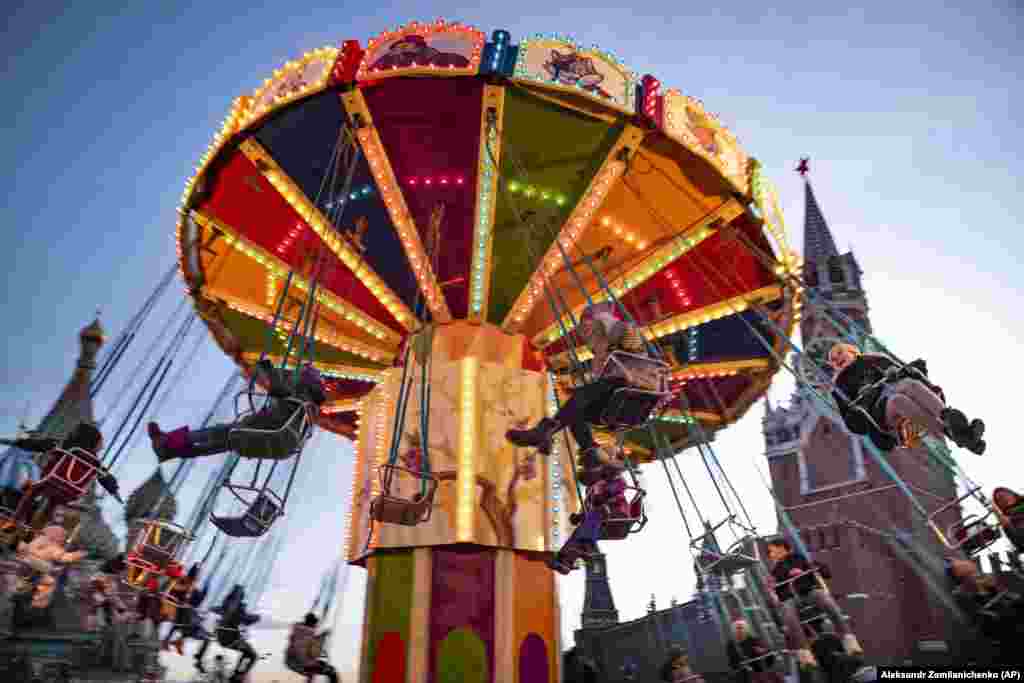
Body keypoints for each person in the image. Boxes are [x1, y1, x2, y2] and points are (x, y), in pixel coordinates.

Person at [506, 302, 653, 470]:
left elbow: (627, 342)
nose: (588, 336)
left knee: (583, 396)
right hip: (620, 399)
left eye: (591, 329)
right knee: (577, 410)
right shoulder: (604, 354)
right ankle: (589, 449)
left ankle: (544, 432)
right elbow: (600, 376)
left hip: (635, 389)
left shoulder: (621, 334)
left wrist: (609, 332)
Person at [148, 360, 326, 463]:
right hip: (277, 443)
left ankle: (166, 442)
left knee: (218, 432)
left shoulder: (301, 397)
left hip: (266, 431)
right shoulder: (310, 411)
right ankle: (174, 451)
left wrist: (268, 369)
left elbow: (279, 390)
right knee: (227, 442)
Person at [827, 343, 984, 454]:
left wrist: (898, 371)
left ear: (852, 351)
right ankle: (954, 429)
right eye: (833, 360)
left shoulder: (875, 359)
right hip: (881, 412)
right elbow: (850, 420)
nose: (837, 359)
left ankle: (954, 427)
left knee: (908, 385)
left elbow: (906, 371)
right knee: (897, 399)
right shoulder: (839, 386)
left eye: (839, 352)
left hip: (900, 390)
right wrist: (858, 409)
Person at [3, 423, 122, 529]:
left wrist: (16, 442)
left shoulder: (67, 447)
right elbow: (106, 478)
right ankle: (36, 529)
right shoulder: (95, 461)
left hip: (50, 480)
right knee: (53, 503)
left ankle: (14, 521)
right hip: (72, 491)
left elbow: (38, 445)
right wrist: (115, 492)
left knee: (32, 491)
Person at [765, 538, 863, 657]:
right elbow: (778, 597)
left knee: (826, 601)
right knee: (788, 615)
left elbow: (824, 572)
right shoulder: (775, 571)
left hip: (809, 592)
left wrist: (803, 571)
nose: (770, 554)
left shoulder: (800, 558)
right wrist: (771, 589)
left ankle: (848, 639)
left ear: (781, 548)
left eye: (772, 551)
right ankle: (804, 651)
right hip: (791, 599)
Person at [196, 585, 261, 682]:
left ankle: (236, 674)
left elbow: (212, 610)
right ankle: (237, 675)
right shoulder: (238, 609)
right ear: (241, 597)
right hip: (232, 640)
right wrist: (257, 617)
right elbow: (248, 620)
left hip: (220, 639)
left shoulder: (223, 606)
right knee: (253, 655)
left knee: (208, 636)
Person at [161, 563, 202, 655]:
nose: (198, 576)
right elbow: (176, 588)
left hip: (177, 605)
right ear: (194, 574)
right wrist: (187, 588)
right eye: (197, 574)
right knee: (186, 620)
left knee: (189, 621)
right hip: (170, 605)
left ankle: (175, 641)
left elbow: (187, 597)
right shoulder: (183, 579)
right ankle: (174, 642)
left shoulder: (190, 582)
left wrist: (191, 592)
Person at [286, 612, 339, 682]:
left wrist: (323, 635)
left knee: (316, 669)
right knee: (331, 672)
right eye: (315, 623)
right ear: (311, 623)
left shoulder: (300, 630)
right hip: (299, 663)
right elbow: (303, 650)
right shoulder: (306, 633)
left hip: (292, 661)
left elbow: (310, 642)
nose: (316, 625)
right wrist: (311, 664)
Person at [992, 487, 1024, 551]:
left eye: (1004, 495)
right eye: (999, 499)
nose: (1004, 499)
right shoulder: (1008, 521)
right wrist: (1007, 525)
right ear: (999, 505)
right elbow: (1019, 544)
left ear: (1012, 494)